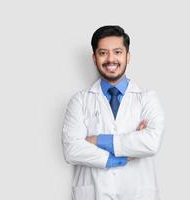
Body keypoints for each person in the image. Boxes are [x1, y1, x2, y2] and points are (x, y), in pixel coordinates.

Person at [61, 25, 165, 200]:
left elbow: (152, 142)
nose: (111, 59)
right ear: (94, 58)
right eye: (103, 53)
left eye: (117, 52)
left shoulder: (147, 99)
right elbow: (72, 149)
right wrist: (126, 152)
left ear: (127, 56)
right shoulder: (79, 101)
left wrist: (98, 140)